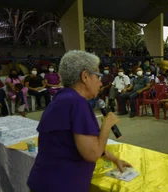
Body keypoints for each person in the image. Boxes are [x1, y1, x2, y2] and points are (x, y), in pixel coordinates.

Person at [27, 50, 131, 192]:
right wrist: (106, 125)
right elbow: (92, 154)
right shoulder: (78, 104)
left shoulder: (62, 98)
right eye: (98, 76)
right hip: (63, 185)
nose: (100, 83)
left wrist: (114, 159)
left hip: (45, 182)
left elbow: (79, 143)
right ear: (85, 76)